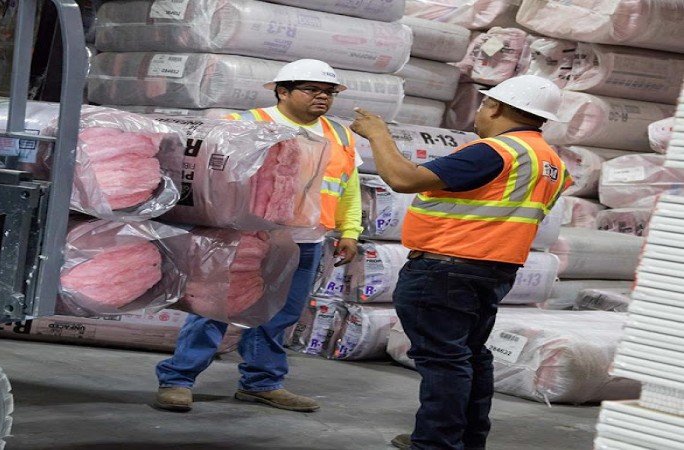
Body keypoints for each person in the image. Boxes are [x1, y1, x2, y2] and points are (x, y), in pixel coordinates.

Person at [350, 75, 572, 450]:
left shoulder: (495, 151)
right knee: (469, 356)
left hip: (445, 268)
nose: (480, 112)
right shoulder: (550, 161)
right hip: (492, 270)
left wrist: (378, 134)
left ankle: (436, 443)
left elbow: (403, 179)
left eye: (484, 104)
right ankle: (465, 440)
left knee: (444, 361)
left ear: (495, 107)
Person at [154, 59, 363, 413]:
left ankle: (261, 383)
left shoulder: (340, 134)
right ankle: (178, 379)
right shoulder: (247, 124)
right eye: (312, 90)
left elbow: (348, 187)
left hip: (306, 241)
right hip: (248, 238)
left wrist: (351, 231)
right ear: (282, 92)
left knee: (281, 313)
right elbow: (211, 179)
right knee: (213, 307)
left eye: (329, 92)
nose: (322, 97)